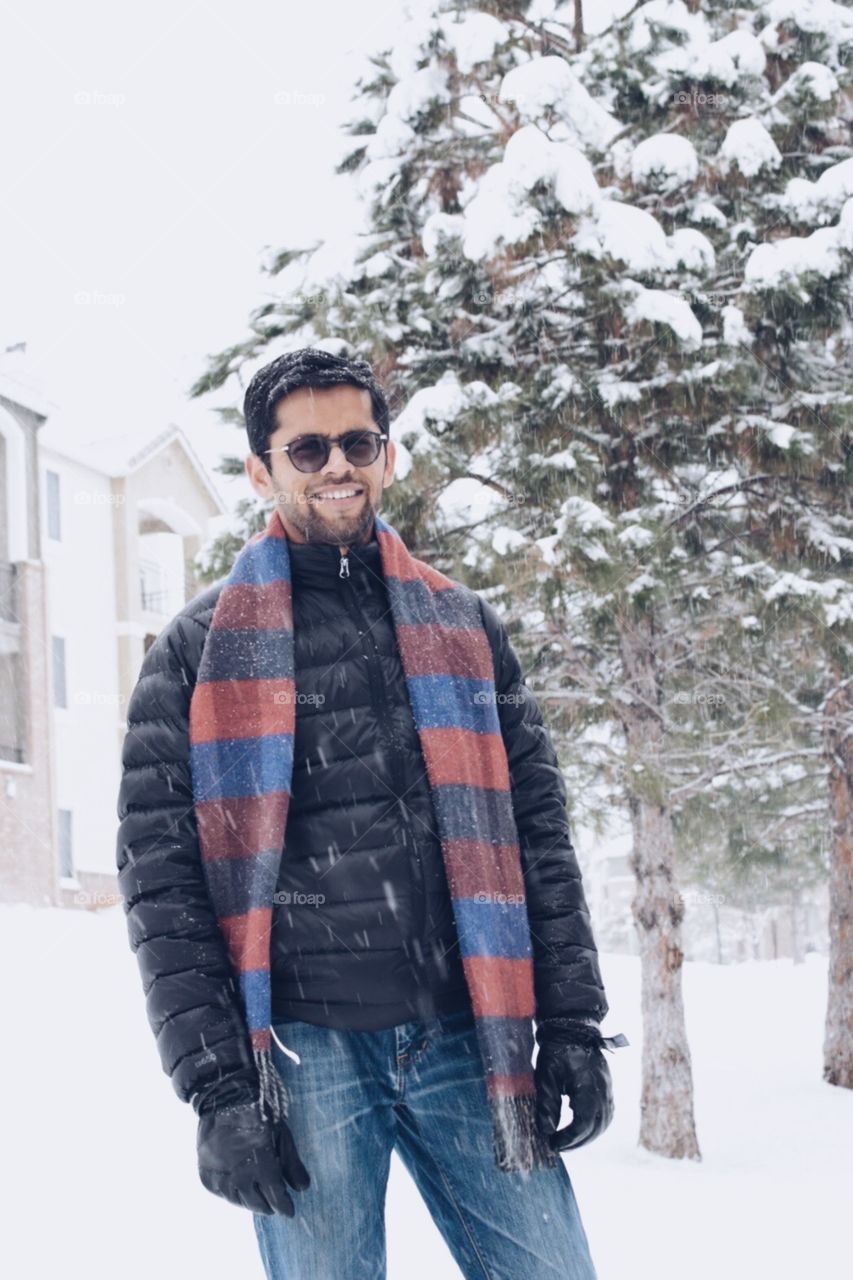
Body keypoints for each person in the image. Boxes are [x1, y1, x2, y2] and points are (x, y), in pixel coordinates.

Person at [116, 348, 624, 1280]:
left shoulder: (464, 629)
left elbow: (536, 839)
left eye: (357, 442)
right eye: (307, 450)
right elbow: (162, 884)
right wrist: (219, 1089)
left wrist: (576, 1025)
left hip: (471, 1040)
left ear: (387, 456)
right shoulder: (196, 653)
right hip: (305, 1056)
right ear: (261, 472)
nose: (337, 466)